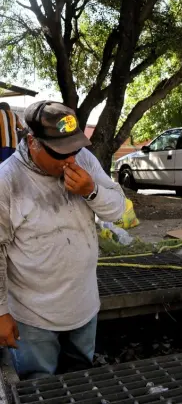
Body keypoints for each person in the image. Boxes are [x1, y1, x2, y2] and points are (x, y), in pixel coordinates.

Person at [0, 101, 126, 379]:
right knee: (39, 387)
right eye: (60, 152)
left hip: (84, 306)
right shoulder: (7, 181)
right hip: (33, 318)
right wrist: (1, 313)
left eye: (75, 149)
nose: (70, 159)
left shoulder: (85, 162)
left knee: (82, 380)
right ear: (32, 142)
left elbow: (117, 209)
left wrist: (91, 190)